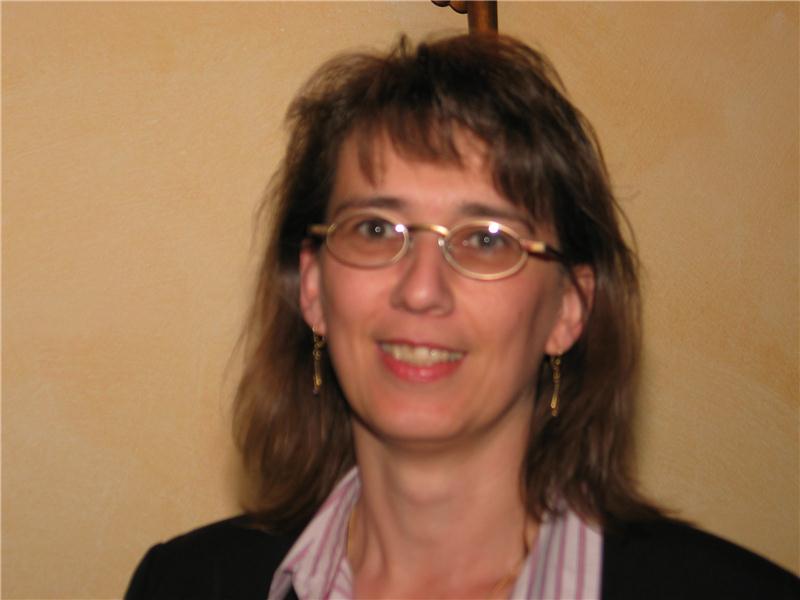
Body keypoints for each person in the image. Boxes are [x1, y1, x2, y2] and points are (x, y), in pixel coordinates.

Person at [125, 33, 799, 600]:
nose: (422, 290)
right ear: (313, 289)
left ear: (569, 308)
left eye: (486, 240)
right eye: (376, 229)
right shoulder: (182, 585)